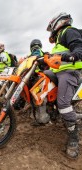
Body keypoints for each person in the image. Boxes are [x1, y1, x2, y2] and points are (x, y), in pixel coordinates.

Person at [46, 12, 82, 159]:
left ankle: (74, 136)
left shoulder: (69, 31)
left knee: (63, 103)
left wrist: (72, 56)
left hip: (70, 72)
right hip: (58, 73)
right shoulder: (59, 41)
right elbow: (56, 58)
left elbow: (79, 49)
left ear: (58, 23)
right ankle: (48, 112)